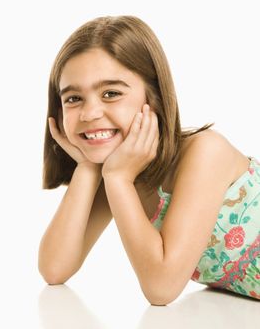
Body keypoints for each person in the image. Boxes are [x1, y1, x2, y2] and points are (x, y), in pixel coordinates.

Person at [38, 16, 260, 305]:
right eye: (73, 99)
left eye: (111, 93)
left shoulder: (206, 152)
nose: (90, 113)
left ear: (153, 98)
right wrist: (88, 168)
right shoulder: (119, 173)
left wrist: (117, 179)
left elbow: (162, 288)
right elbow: (54, 268)